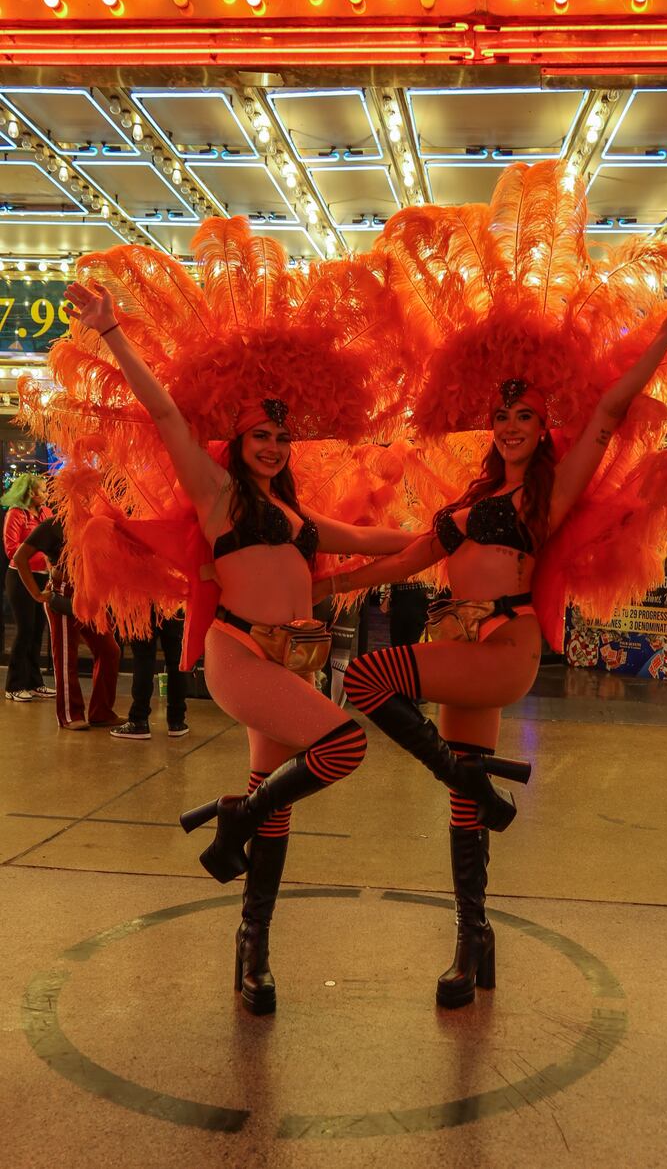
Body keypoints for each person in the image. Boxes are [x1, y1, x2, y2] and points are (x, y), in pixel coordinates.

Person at [309, 158, 667, 1010]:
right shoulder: (471, 497)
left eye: (527, 417)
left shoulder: (549, 493)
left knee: (369, 677)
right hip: (454, 635)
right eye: (504, 416)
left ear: (539, 425)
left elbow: (607, 412)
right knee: (461, 800)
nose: (514, 426)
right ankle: (470, 940)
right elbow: (407, 558)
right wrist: (327, 580)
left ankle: (479, 790)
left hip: (506, 643)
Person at [61, 220, 414, 1016]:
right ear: (236, 440)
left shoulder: (298, 515)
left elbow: (374, 538)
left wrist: (443, 534)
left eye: (283, 438)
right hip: (240, 656)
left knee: (280, 800)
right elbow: (162, 415)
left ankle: (250, 950)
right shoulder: (218, 497)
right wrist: (112, 330)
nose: (275, 447)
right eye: (261, 435)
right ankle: (232, 819)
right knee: (346, 741)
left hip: (296, 660)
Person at [13, 514, 120, 730]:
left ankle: (101, 712)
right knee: (65, 657)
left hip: (90, 595)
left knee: (110, 650)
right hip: (63, 596)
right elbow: (20, 557)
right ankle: (70, 715)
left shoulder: (95, 521)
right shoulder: (52, 525)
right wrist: (37, 593)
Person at [2, 473, 55, 703]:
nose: (46, 493)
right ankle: (14, 685)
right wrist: (44, 557)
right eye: (43, 490)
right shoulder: (15, 514)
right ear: (30, 494)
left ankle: (35, 683)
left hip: (42, 578)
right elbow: (12, 551)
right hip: (20, 579)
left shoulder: (46, 512)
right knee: (24, 630)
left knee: (36, 631)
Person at [112, 609, 188, 739]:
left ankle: (139, 720)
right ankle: (177, 721)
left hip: (142, 599)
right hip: (173, 600)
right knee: (176, 659)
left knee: (143, 657)